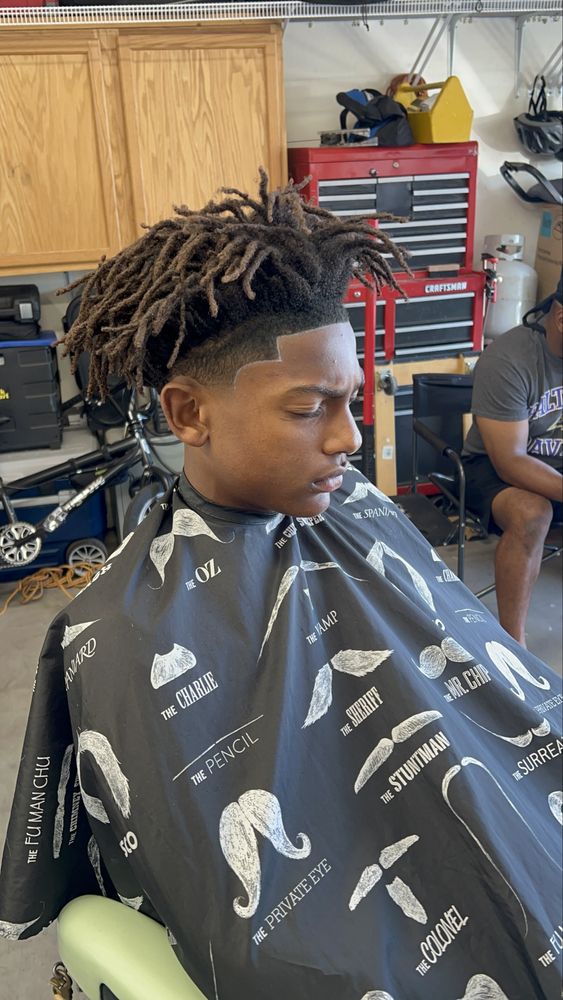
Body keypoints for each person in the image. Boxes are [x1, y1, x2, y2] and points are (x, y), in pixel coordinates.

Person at [0, 173, 561, 1000]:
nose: (349, 437)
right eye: (308, 409)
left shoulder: (356, 505)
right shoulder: (118, 630)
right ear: (188, 414)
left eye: (350, 400)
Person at [463, 273, 563, 646]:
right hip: (493, 468)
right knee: (533, 513)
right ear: (561, 319)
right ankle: (512, 644)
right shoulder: (509, 359)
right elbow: (510, 460)